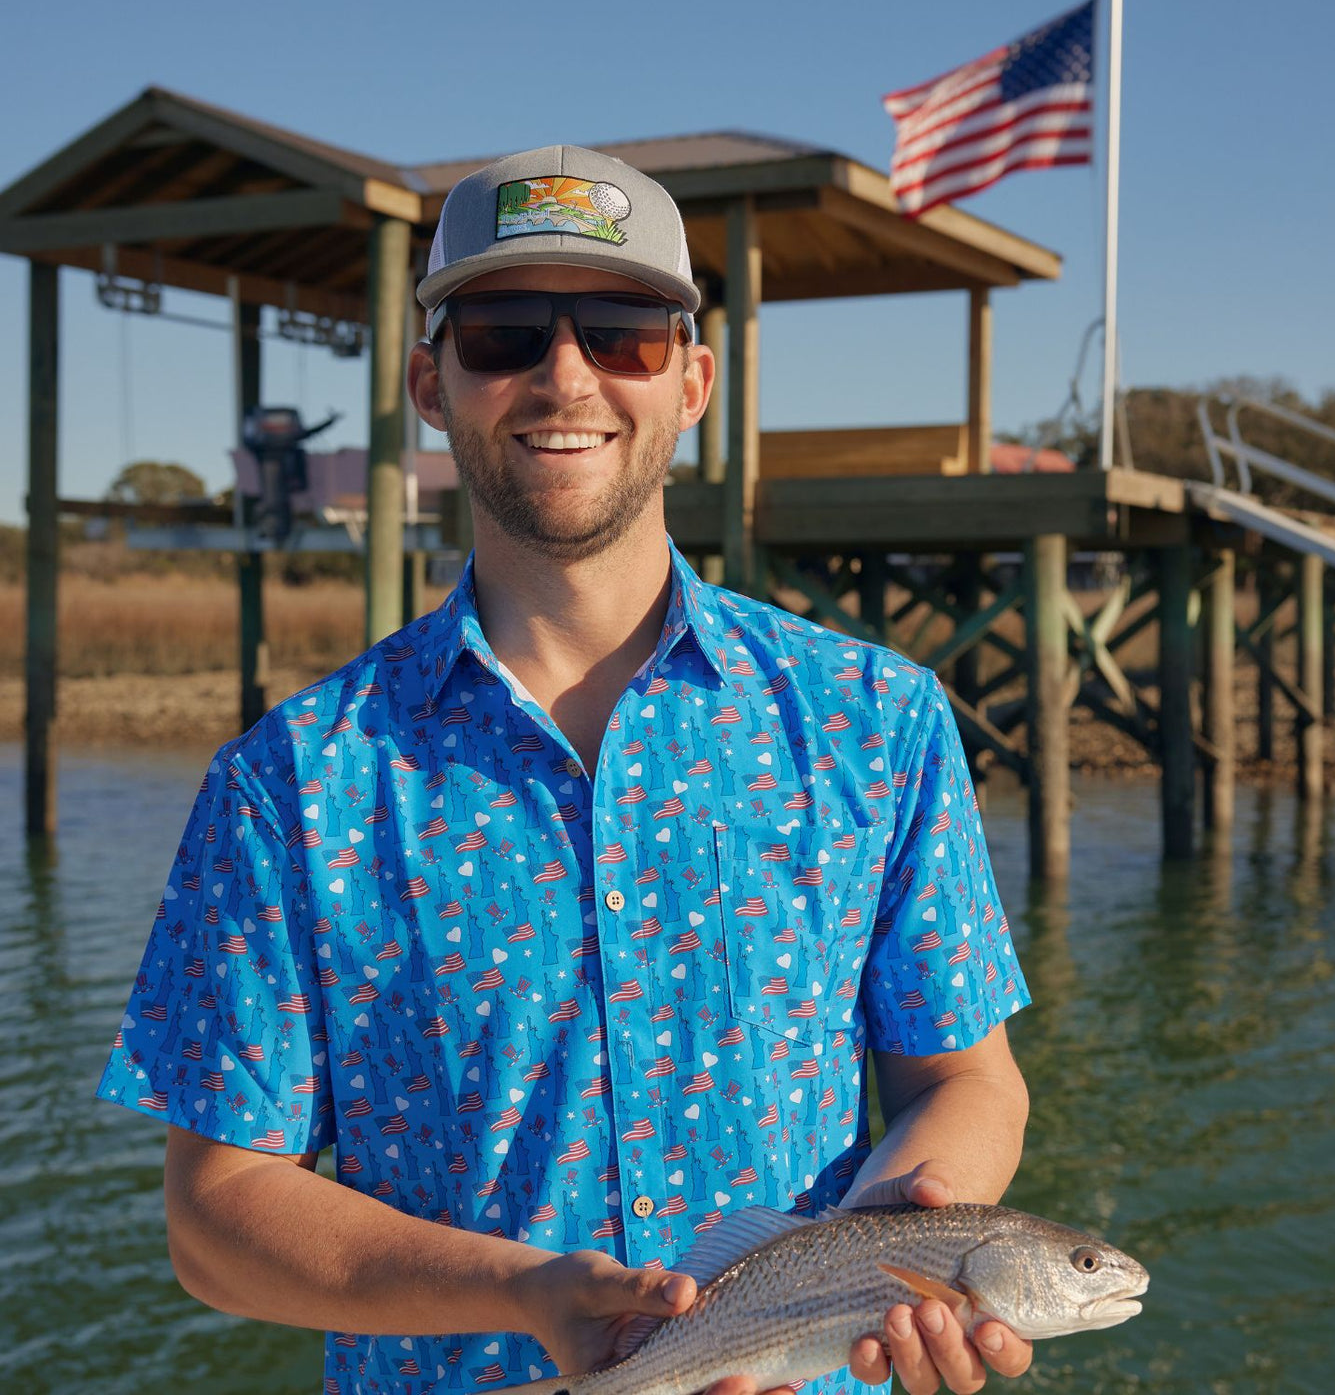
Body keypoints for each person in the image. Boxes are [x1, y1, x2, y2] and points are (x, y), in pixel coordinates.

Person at [98, 144, 1034, 1395]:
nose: (564, 375)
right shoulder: (291, 779)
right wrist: (519, 1290)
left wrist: (903, 1249)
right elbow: (213, 1215)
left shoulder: (880, 719)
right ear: (431, 383)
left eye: (622, 332)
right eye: (501, 335)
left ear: (693, 379)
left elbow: (965, 1078)